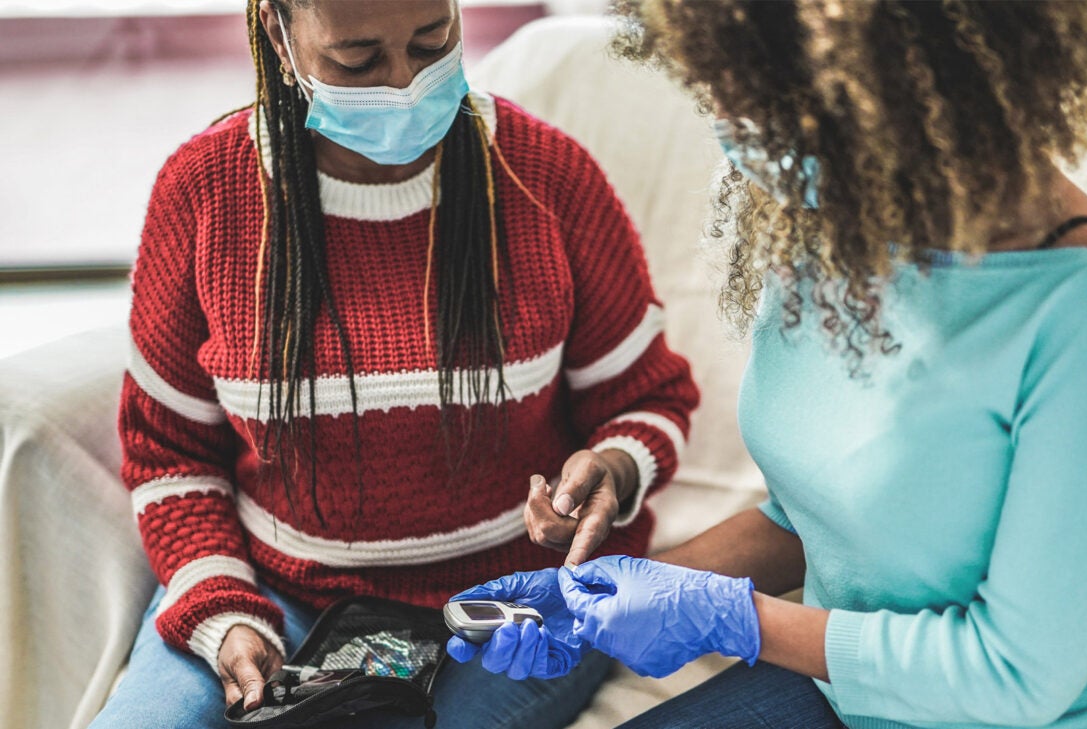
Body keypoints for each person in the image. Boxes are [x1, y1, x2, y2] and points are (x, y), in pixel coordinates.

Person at [452, 2, 1087, 728]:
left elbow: (1015, 677)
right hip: (847, 696)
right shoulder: (844, 217)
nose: (743, 143)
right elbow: (824, 521)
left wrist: (733, 620)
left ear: (905, 81)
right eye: (722, 104)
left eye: (767, 114)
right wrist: (609, 591)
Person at [91, 1, 698, 727]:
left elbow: (649, 397)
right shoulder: (205, 194)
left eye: (431, 41)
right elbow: (170, 455)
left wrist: (615, 470)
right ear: (279, 33)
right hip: (277, 588)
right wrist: (224, 614)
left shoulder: (545, 176)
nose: (407, 84)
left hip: (512, 601)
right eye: (358, 60)